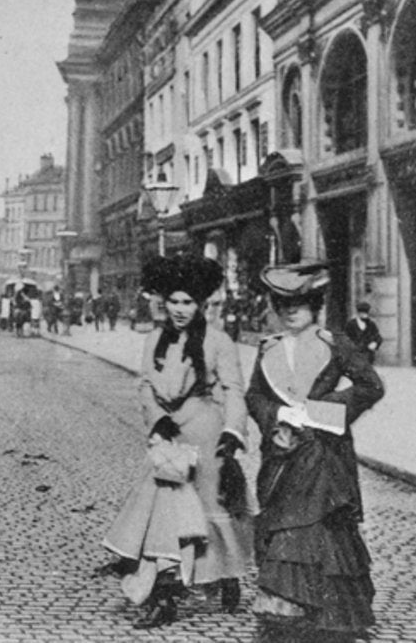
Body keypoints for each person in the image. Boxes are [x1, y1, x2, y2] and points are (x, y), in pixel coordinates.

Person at [103, 254, 252, 629]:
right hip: (169, 437)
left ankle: (227, 574)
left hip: (207, 435)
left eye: (188, 302)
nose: (180, 309)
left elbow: (234, 390)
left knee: (209, 512)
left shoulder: (218, 342)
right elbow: (145, 385)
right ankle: (164, 597)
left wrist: (233, 433)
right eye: (174, 301)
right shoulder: (155, 338)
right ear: (163, 302)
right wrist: (158, 419)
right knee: (165, 515)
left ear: (201, 304)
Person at [246, 261, 385, 643]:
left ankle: (327, 620)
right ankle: (287, 617)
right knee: (285, 528)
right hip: (282, 459)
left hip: (324, 457)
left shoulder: (333, 342)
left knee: (321, 533)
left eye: (301, 303)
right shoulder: (268, 349)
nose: (291, 310)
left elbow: (371, 386)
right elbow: (254, 395)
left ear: (315, 305)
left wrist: (319, 412)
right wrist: (276, 416)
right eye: (282, 303)